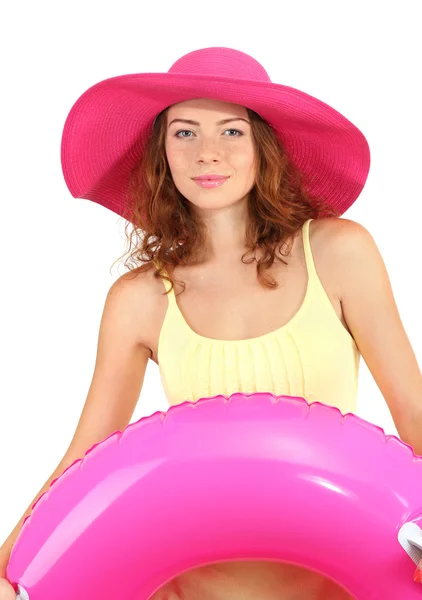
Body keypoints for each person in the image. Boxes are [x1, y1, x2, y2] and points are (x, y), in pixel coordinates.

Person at [1, 46, 421, 600]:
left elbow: (413, 411)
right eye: (184, 133)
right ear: (161, 152)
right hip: (192, 586)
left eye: (231, 132)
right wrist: (10, 559)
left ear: (261, 147)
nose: (207, 154)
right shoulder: (141, 298)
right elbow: (84, 458)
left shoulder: (340, 253)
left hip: (336, 581)